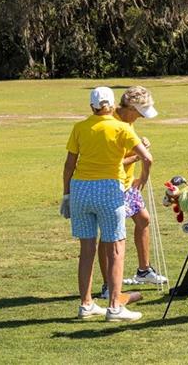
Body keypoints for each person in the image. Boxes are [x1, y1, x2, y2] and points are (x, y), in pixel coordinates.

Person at [61, 86, 152, 321]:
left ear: (92, 106)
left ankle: (86, 304)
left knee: (87, 250)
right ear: (112, 105)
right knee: (115, 248)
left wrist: (66, 195)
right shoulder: (121, 127)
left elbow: (69, 165)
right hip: (108, 190)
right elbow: (147, 157)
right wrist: (142, 177)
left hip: (80, 189)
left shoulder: (79, 127)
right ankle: (114, 307)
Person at [96, 86, 166, 299]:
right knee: (109, 236)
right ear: (133, 108)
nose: (142, 117)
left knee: (143, 220)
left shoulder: (129, 121)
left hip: (128, 184)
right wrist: (139, 154)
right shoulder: (113, 123)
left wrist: (139, 146)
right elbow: (110, 162)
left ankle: (143, 270)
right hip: (112, 184)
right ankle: (108, 285)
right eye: (141, 111)